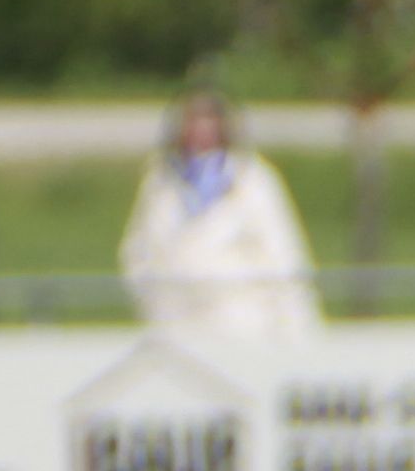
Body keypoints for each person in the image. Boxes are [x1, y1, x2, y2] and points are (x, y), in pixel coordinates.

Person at [122, 88, 321, 349]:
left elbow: (282, 253)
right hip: (175, 321)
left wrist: (297, 327)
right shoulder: (161, 181)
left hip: (240, 322)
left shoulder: (253, 179)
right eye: (193, 119)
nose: (201, 129)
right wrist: (154, 298)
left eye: (210, 119)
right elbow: (138, 250)